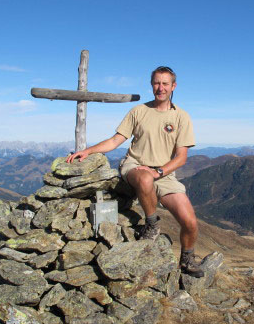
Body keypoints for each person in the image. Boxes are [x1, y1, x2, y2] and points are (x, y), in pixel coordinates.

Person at [66, 66, 204, 277]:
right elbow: (115, 140)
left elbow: (181, 157)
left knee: (190, 221)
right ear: (152, 85)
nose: (160, 88)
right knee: (145, 178)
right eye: (157, 83)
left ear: (173, 86)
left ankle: (186, 258)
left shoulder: (182, 117)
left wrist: (158, 171)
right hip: (135, 165)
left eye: (165, 83)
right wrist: (87, 151)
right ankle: (152, 224)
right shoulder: (138, 111)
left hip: (163, 172)